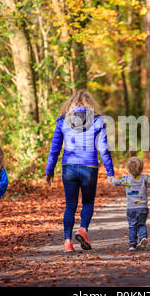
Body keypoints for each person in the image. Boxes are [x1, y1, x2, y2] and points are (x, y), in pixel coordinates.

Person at [45, 89, 114, 253]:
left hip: (69, 167)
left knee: (70, 205)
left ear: (71, 104)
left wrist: (50, 170)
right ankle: (83, 229)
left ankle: (67, 242)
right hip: (89, 167)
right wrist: (110, 172)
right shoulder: (97, 121)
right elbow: (103, 149)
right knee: (88, 202)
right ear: (90, 103)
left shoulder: (62, 121)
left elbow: (55, 149)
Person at [109, 157, 150, 251]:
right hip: (143, 207)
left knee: (132, 226)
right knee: (141, 224)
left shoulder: (125, 178)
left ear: (128, 168)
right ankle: (143, 238)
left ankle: (132, 245)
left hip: (131, 208)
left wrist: (111, 177)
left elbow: (115, 182)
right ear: (141, 168)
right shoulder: (145, 177)